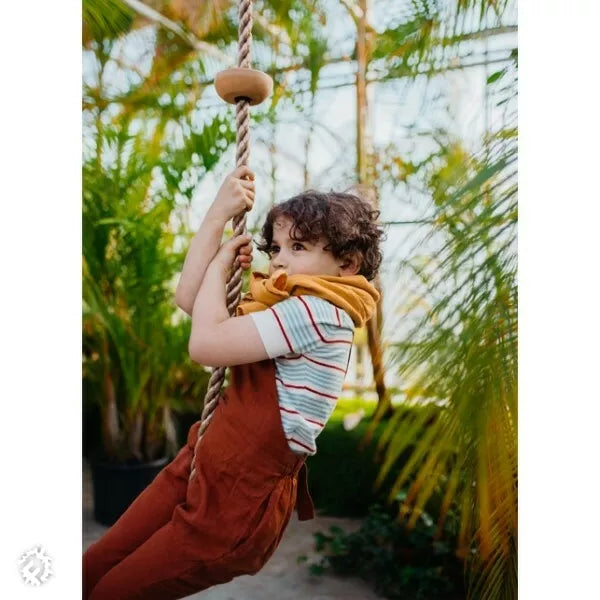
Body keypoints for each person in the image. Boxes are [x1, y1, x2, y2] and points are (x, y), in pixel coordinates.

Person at [83, 166, 385, 599]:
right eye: (276, 246)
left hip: (235, 503)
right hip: (199, 461)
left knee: (113, 591)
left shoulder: (320, 314)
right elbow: (191, 299)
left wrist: (223, 263)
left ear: (347, 263)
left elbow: (205, 343)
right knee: (92, 569)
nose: (278, 258)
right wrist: (217, 216)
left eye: (297, 246)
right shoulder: (286, 306)